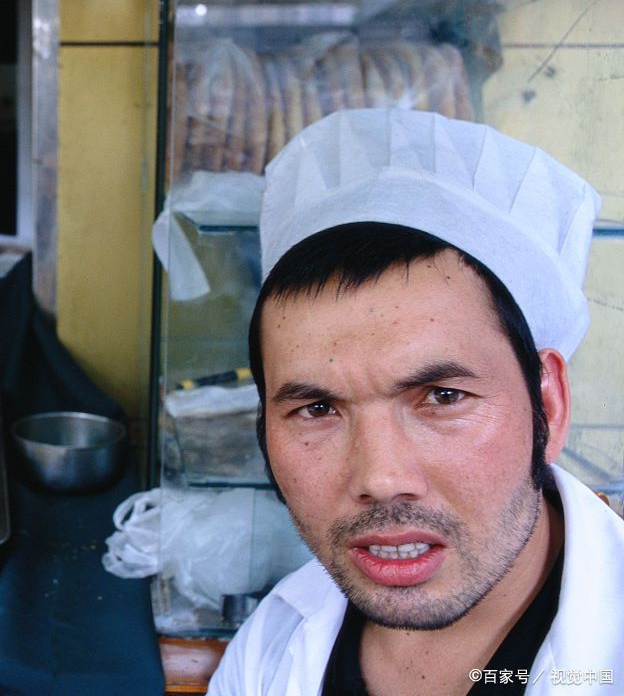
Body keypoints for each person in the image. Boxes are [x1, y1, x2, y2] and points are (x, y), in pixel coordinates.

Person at [210, 108, 624, 694]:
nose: (380, 478)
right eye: (317, 409)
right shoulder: (274, 647)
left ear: (547, 406)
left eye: (443, 396)